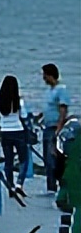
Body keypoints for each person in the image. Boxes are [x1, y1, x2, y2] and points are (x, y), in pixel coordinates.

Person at [0, 74, 29, 197]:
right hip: (18, 130)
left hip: (5, 131)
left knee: (8, 161)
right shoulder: (18, 101)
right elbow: (24, 116)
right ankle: (19, 184)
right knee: (23, 159)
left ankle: (10, 186)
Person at [42, 63, 71, 194]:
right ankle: (50, 186)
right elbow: (49, 107)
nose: (44, 78)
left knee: (52, 159)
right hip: (47, 126)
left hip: (55, 127)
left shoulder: (61, 90)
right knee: (47, 159)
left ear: (50, 75)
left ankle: (55, 187)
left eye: (45, 75)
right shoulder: (49, 91)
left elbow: (63, 110)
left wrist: (59, 128)